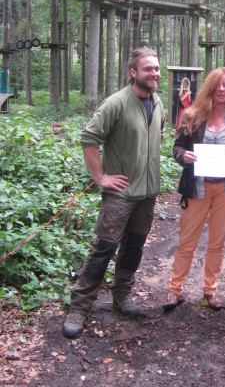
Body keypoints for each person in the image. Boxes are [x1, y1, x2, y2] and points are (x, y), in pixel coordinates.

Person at [63, 47, 165, 339]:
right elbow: (89, 138)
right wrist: (100, 177)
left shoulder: (157, 102)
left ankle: (122, 297)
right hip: (120, 196)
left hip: (147, 194)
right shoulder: (116, 103)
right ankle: (79, 308)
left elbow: (155, 139)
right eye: (148, 69)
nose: (154, 73)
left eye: (157, 69)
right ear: (133, 72)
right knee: (104, 248)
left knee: (134, 247)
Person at [164, 67, 225, 311]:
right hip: (197, 188)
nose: (222, 89)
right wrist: (185, 156)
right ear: (210, 88)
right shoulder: (192, 116)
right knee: (186, 242)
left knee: (217, 244)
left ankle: (210, 291)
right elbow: (177, 148)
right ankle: (174, 290)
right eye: (218, 85)